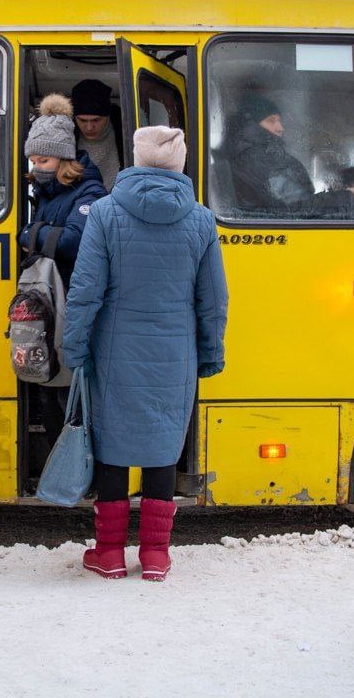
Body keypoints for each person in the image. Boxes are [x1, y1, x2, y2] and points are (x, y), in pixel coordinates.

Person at [63, 126, 228, 581]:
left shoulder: (106, 213)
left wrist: (74, 348)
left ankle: (110, 554)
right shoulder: (200, 220)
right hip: (177, 356)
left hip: (116, 353)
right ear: (179, 163)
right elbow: (213, 300)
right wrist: (210, 354)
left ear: (136, 158)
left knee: (113, 449)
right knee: (162, 450)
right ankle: (155, 555)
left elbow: (85, 291)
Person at [17, 93, 109, 447]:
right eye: (33, 159)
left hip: (72, 300)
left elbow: (72, 242)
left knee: (68, 390)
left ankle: (78, 466)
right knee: (46, 382)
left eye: (43, 159)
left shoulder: (89, 189)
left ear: (64, 158)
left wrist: (30, 234)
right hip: (47, 300)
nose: (36, 166)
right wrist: (41, 235)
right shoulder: (46, 191)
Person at [224, 93, 313, 215]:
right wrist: (346, 197)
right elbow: (295, 206)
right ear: (250, 125)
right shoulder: (253, 159)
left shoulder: (265, 154)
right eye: (271, 121)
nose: (280, 128)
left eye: (279, 121)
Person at [71, 78, 122, 190]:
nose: (89, 127)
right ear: (74, 118)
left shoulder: (125, 130)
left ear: (107, 116)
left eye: (96, 120)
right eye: (82, 120)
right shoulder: (65, 136)